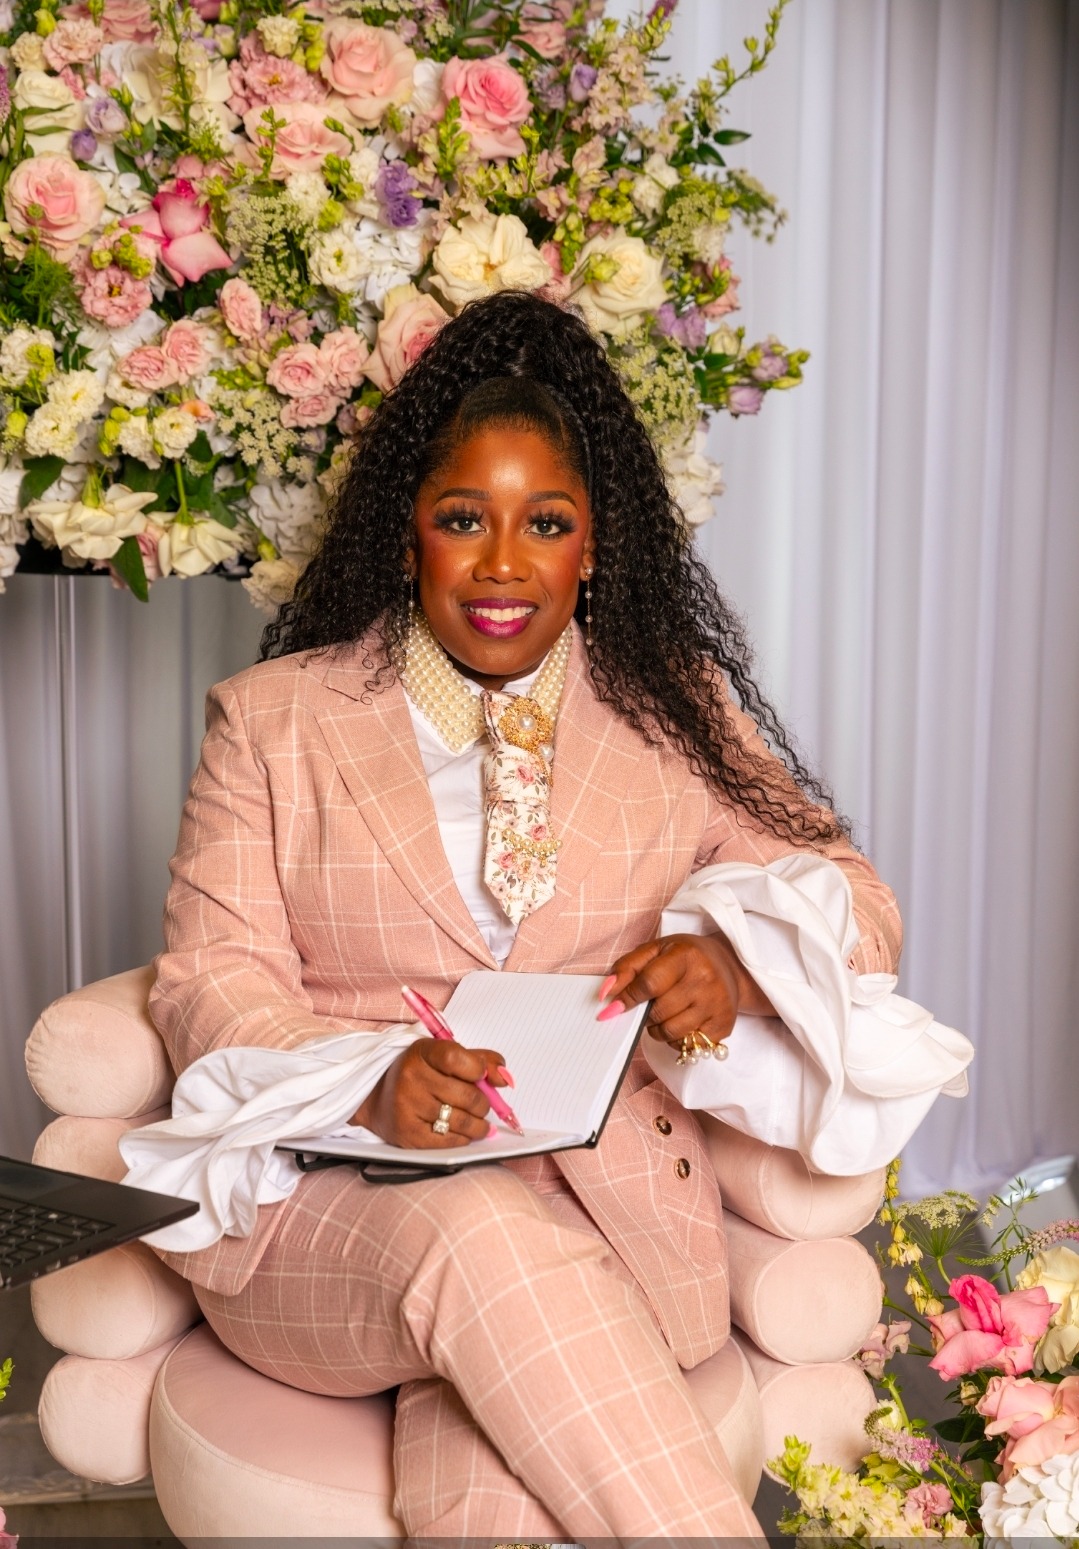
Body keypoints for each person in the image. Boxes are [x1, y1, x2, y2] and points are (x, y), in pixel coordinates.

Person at [146, 290, 940, 1538]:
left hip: (610, 1216)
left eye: (546, 523)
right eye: (463, 518)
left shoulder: (671, 710)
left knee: (493, 1482)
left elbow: (857, 900)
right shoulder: (273, 721)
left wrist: (731, 970)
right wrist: (366, 1083)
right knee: (474, 1226)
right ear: (407, 533)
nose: (503, 563)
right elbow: (211, 980)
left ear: (592, 546)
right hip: (328, 1207)